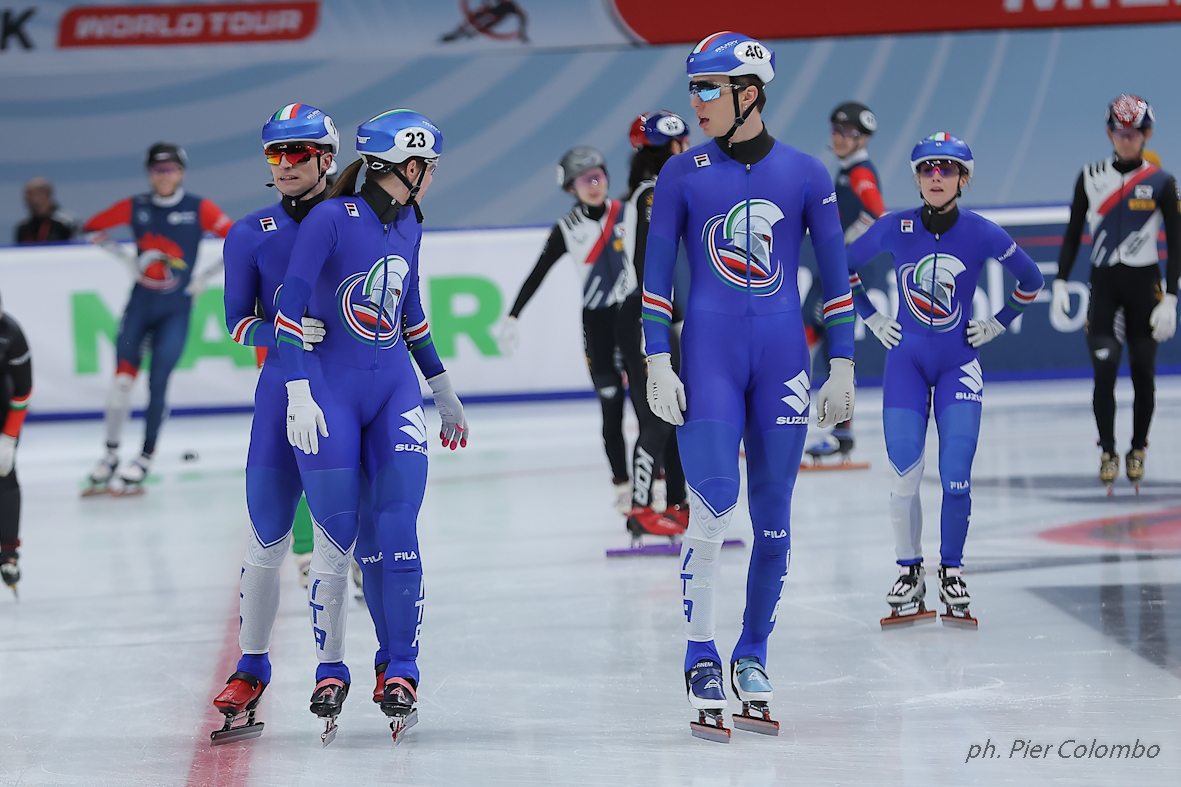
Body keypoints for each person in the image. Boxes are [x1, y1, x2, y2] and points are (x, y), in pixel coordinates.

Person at [642, 32, 856, 740]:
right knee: (710, 509)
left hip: (781, 362)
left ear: (749, 94)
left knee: (773, 522)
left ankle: (752, 652)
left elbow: (834, 278)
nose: (696, 102)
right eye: (693, 87)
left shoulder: (806, 173)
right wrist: (654, 360)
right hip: (707, 357)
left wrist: (845, 363)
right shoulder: (681, 174)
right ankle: (700, 650)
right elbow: (653, 280)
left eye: (708, 88)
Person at [275, 109, 468, 742]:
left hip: (394, 393)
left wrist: (441, 388)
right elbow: (288, 305)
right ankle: (331, 666)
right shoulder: (332, 218)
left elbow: (409, 312)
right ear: (405, 167)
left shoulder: (411, 220)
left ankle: (400, 666)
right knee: (338, 537)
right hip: (330, 393)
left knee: (396, 529)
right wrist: (298, 389)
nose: (433, 177)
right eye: (429, 167)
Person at [847, 133, 1044, 627]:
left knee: (956, 476)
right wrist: (870, 316)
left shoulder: (981, 231)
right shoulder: (895, 227)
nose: (937, 177)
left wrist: (997, 322)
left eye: (948, 169)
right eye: (927, 169)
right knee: (903, 477)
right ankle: (909, 571)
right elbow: (840, 267)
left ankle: (951, 569)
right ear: (915, 178)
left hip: (958, 362)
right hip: (906, 365)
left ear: (964, 179)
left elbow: (1032, 280)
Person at [81, 143, 233, 494]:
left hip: (175, 310)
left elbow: (238, 238)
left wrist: (205, 277)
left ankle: (146, 455)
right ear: (149, 173)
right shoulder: (138, 206)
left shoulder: (199, 208)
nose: (164, 177)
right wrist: (123, 258)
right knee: (121, 383)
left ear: (181, 172)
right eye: (157, 171)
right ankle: (110, 454)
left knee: (158, 382)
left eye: (171, 170)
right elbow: (91, 227)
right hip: (140, 305)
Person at [1050, 95, 1180, 491]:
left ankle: (1137, 447)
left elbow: (1176, 243)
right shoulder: (1090, 176)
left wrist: (1172, 297)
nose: (1127, 140)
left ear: (1147, 134)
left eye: (1135, 134)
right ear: (1109, 133)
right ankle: (1107, 450)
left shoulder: (1162, 182)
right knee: (1104, 372)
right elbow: (1073, 233)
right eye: (1120, 133)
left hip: (1146, 288)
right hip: (1104, 287)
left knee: (1144, 373)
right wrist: (1059, 280)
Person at [497, 146, 634, 514]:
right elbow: (537, 274)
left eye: (599, 176)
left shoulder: (629, 214)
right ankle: (623, 485)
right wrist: (512, 316)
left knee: (652, 406)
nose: (594, 185)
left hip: (633, 321)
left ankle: (658, 481)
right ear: (571, 188)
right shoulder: (567, 229)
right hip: (598, 326)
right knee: (611, 411)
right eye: (584, 180)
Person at [616, 111, 692, 541]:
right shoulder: (651, 193)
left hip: (656, 312)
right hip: (648, 315)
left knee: (674, 411)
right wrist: (660, 323)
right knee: (659, 417)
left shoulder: (653, 190)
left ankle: (677, 502)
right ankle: (642, 508)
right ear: (672, 148)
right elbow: (647, 264)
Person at [805, 102, 887, 459]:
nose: (839, 139)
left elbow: (877, 212)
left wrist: (844, 241)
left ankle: (841, 433)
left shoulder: (859, 172)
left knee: (830, 348)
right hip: (834, 272)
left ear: (863, 138)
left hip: (844, 275)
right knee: (808, 340)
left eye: (848, 134)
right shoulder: (846, 170)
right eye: (836, 132)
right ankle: (832, 431)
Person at [0, 292, 32, 597]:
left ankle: (8, 553)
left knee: (4, 473)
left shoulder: (10, 332)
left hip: (2, 410)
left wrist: (9, 439)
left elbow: (23, 391)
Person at [15, 178, 78, 244]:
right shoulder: (23, 227)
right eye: (26, 195)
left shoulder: (67, 223)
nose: (27, 199)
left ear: (46, 194)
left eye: (31, 194)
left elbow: (76, 248)